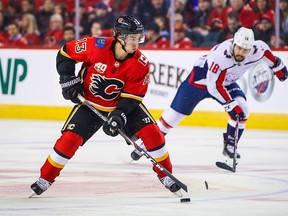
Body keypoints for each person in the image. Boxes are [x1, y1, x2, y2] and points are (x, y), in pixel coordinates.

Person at [30, 15, 180, 197]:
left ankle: (166, 175)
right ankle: (45, 178)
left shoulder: (141, 63)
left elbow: (132, 97)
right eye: (133, 38)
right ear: (120, 37)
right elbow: (65, 53)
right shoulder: (96, 46)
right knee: (69, 139)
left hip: (122, 105)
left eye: (139, 37)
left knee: (153, 133)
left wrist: (120, 115)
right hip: (90, 103)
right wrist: (67, 79)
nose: (137, 42)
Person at [130, 27, 288, 162]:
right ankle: (146, 143)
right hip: (200, 82)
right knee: (173, 117)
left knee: (243, 109)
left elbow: (271, 58)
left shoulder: (258, 49)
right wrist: (231, 106)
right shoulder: (220, 56)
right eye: (239, 47)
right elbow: (214, 87)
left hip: (225, 82)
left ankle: (230, 146)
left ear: (251, 48)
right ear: (234, 43)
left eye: (245, 50)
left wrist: (278, 68)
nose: (241, 52)